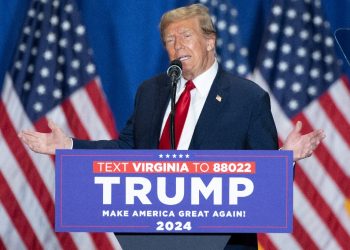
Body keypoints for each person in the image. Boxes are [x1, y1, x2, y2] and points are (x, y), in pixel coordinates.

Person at [19, 4, 325, 249]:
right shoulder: (151, 91)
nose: (177, 46)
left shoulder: (248, 98)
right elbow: (128, 149)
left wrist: (285, 157)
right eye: (169, 40)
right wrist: (69, 147)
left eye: (186, 36)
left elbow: (264, 181)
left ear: (210, 41)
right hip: (155, 236)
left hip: (223, 241)